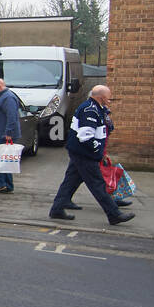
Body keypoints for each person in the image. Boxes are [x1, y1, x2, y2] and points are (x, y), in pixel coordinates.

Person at [48, 85, 135, 225]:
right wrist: (97, 151)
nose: (110, 101)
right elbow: (85, 136)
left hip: (79, 152)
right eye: (109, 97)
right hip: (85, 153)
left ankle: (57, 209)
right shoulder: (90, 110)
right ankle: (114, 214)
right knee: (97, 184)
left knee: (71, 181)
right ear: (101, 97)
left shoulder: (95, 108)